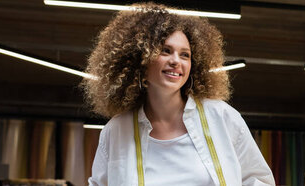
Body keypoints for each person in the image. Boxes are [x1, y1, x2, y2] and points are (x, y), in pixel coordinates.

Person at [81, 3, 275, 186]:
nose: (176, 61)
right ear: (140, 59)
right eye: (165, 51)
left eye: (185, 55)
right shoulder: (116, 131)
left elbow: (258, 180)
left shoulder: (222, 117)